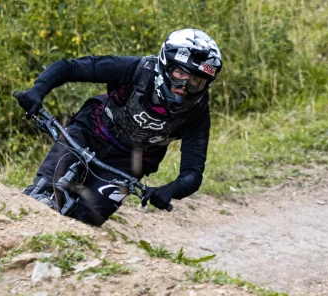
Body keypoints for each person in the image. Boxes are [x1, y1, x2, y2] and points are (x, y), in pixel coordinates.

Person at [14, 28, 222, 226]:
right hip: (88, 131)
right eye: (179, 74)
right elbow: (70, 67)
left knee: (89, 216)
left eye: (196, 81)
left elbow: (193, 173)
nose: (184, 87)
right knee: (45, 186)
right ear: (165, 65)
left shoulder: (197, 113)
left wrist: (170, 189)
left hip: (127, 164)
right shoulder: (135, 70)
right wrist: (37, 91)